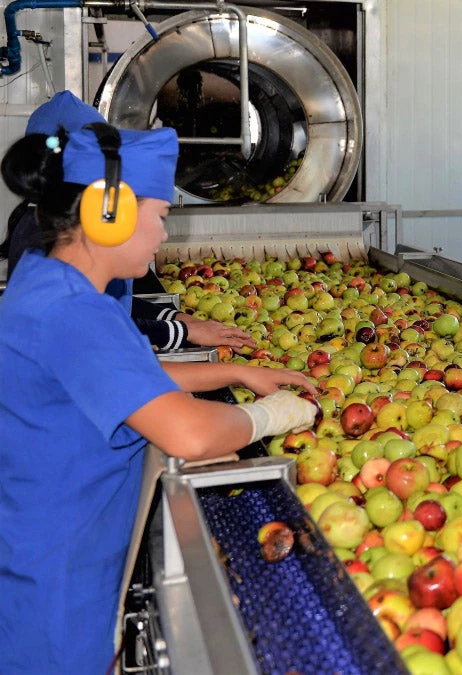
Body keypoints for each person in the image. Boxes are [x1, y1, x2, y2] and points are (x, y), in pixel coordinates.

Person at [0, 123, 318, 672]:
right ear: (108, 213)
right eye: (161, 218)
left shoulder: (51, 282)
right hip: (57, 584)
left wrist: (241, 371)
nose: (164, 237)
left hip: (47, 547)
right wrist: (268, 417)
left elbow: (128, 374)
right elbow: (189, 435)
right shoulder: (74, 313)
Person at [1, 90, 255, 351]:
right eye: (159, 217)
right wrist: (179, 331)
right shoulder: (47, 237)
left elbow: (113, 306)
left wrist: (175, 318)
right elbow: (93, 329)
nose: (163, 234)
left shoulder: (61, 230)